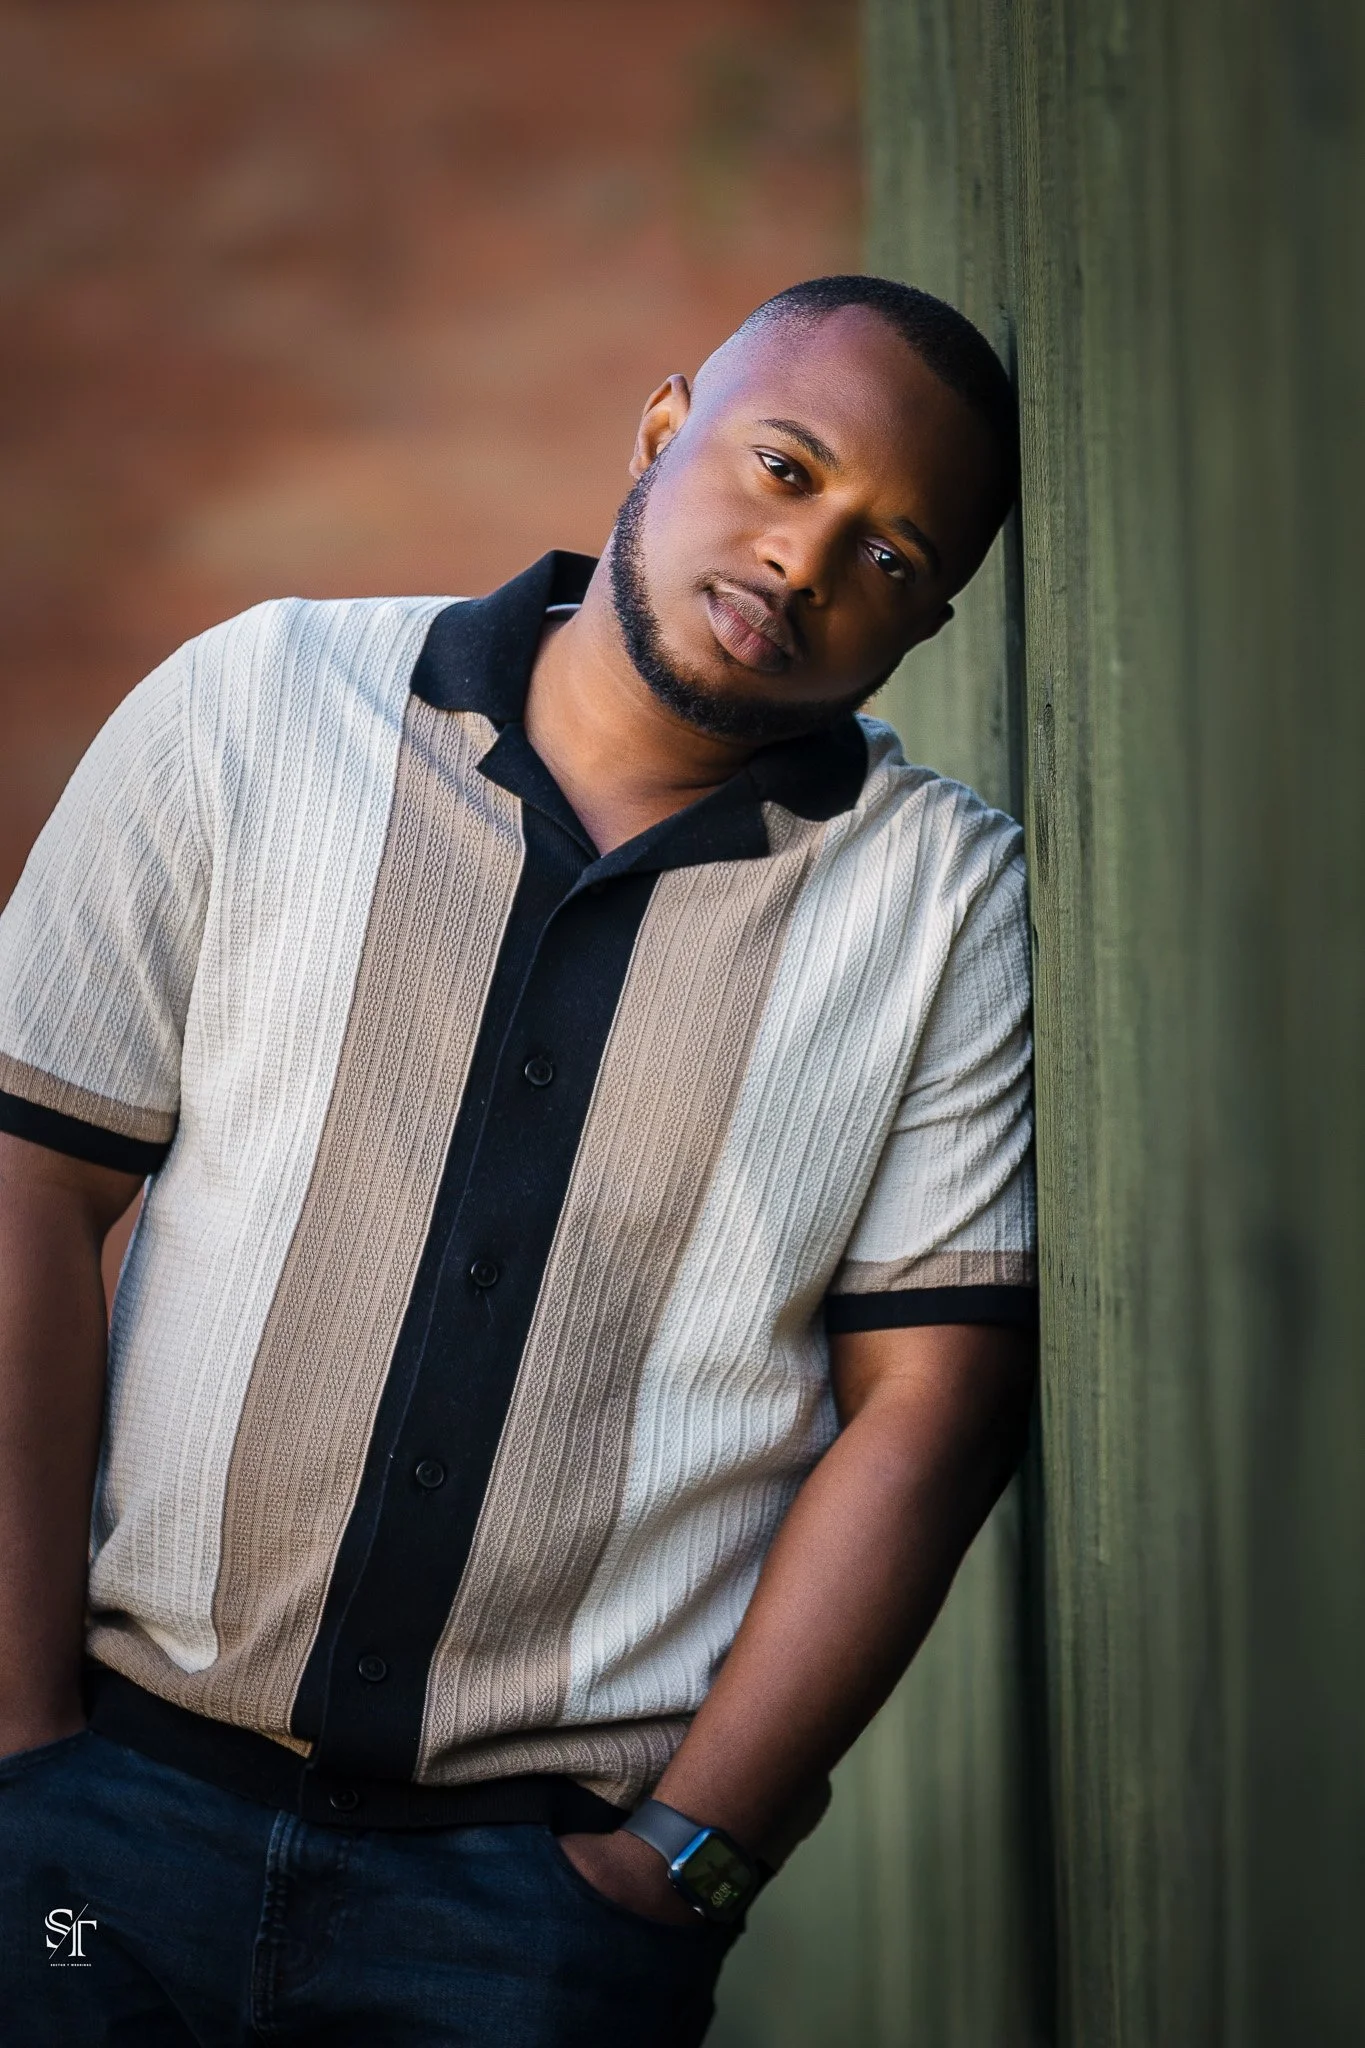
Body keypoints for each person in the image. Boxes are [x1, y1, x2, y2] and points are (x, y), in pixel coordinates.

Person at [0, 274, 1036, 2046]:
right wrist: (16, 1752)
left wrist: (685, 1867)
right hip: (98, 1848)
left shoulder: (940, 903)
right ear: (660, 429)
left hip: (525, 1932)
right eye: (784, 469)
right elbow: (28, 1183)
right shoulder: (259, 707)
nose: (800, 561)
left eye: (888, 553)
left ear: (927, 621)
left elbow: (933, 1408)